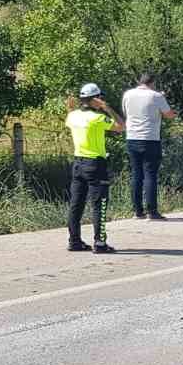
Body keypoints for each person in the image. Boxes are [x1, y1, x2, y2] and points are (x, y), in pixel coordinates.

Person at [65, 83, 124, 253]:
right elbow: (121, 126)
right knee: (99, 204)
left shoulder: (73, 116)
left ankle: (74, 241)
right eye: (101, 98)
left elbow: (72, 116)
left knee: (76, 204)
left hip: (78, 164)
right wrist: (108, 108)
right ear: (96, 99)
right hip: (95, 165)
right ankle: (100, 242)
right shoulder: (98, 118)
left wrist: (70, 108)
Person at [122, 73, 177, 220]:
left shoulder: (128, 94)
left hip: (132, 137)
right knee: (150, 174)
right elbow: (169, 114)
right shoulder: (156, 96)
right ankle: (152, 211)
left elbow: (126, 112)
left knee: (136, 174)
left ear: (140, 82)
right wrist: (161, 97)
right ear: (152, 83)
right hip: (150, 139)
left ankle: (138, 211)